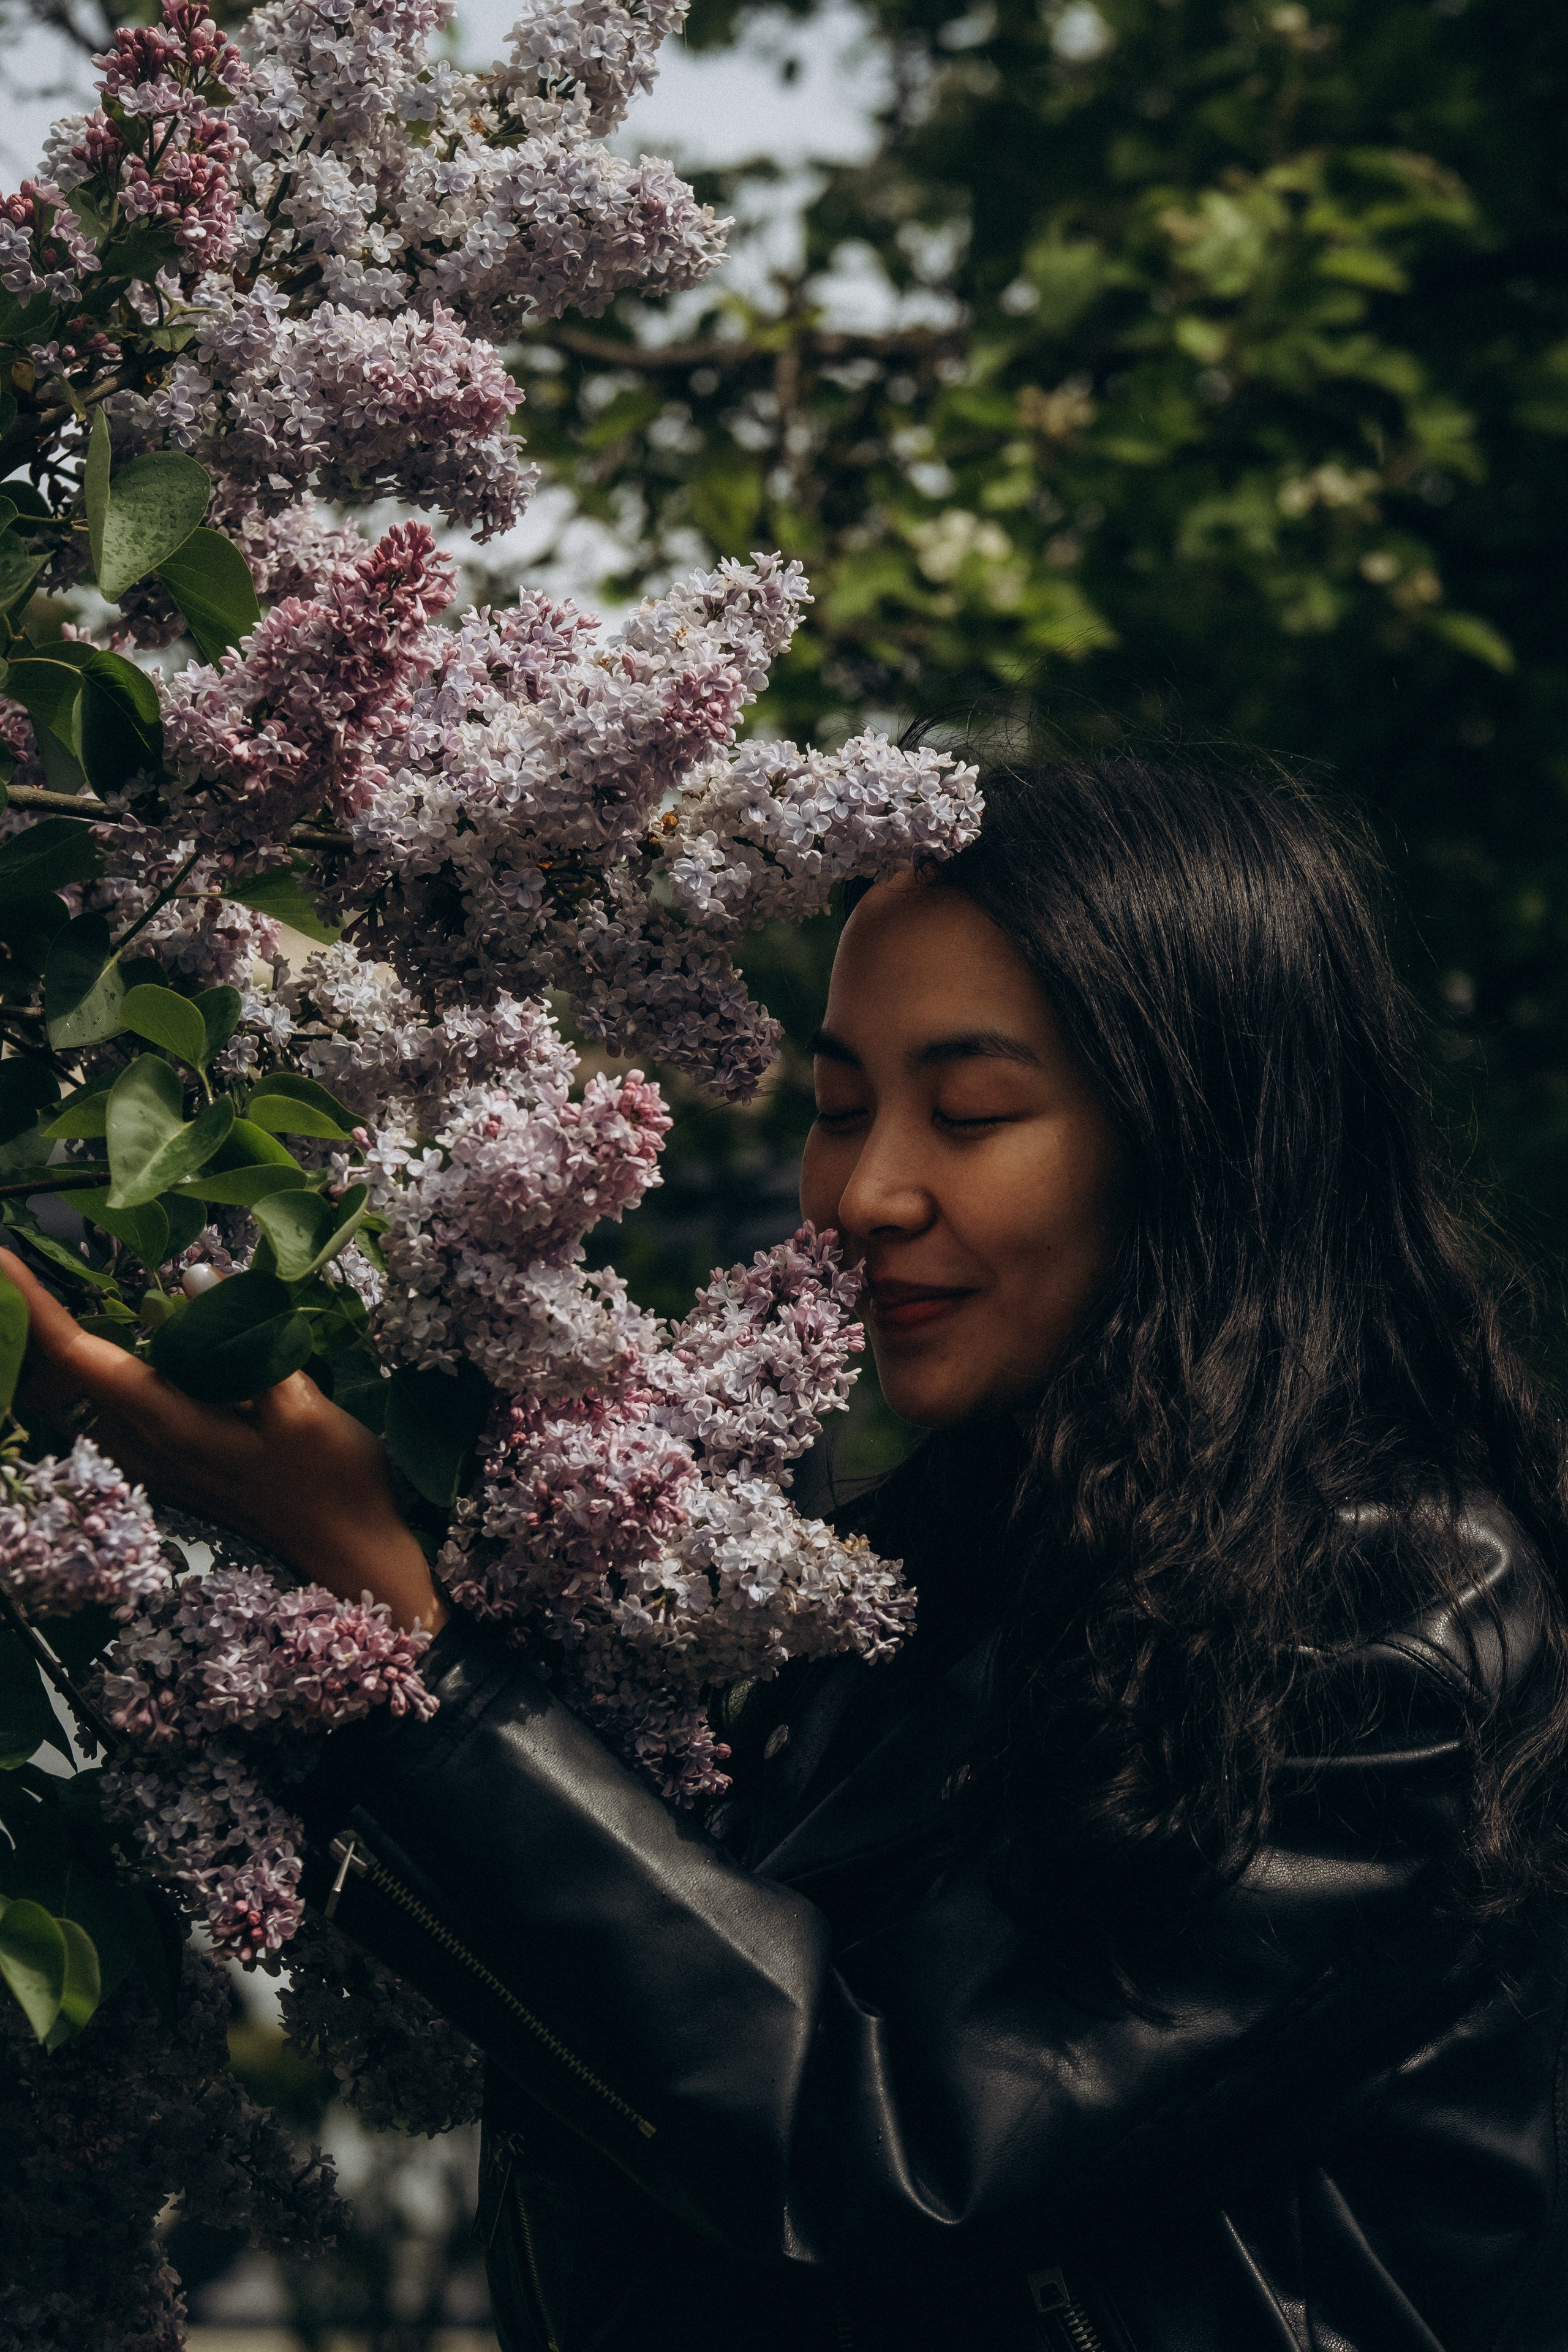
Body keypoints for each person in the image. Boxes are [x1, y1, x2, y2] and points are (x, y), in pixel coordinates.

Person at [9, 756, 1568, 2352]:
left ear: (1200, 1141)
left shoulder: (1390, 1626)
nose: (864, 1191)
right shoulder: (917, 1571)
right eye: (839, 1109)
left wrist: (404, 1629)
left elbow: (878, 2142)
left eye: (969, 1111)